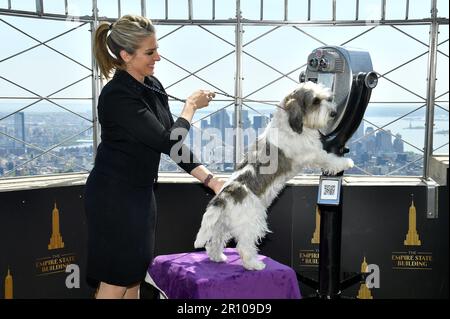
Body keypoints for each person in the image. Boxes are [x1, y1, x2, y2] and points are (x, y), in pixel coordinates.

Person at [86, 14, 225, 299]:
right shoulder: (117, 95)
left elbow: (173, 145)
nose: (157, 58)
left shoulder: (152, 85)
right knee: (116, 280)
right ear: (125, 55)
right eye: (150, 52)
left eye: (156, 49)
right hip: (114, 199)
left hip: (139, 194)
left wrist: (211, 180)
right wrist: (190, 107)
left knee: (134, 277)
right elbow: (167, 140)